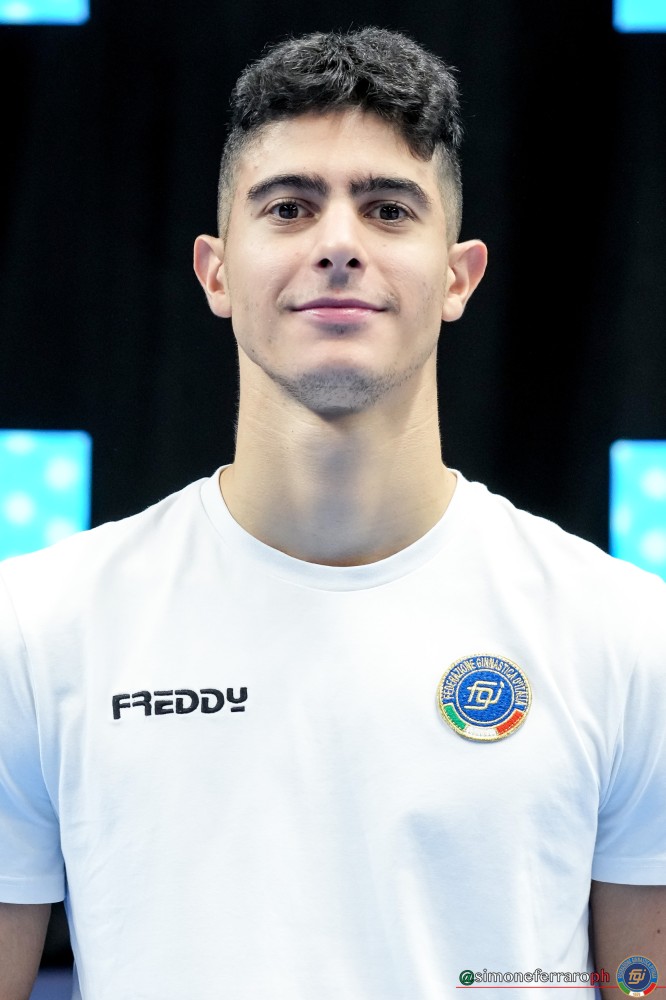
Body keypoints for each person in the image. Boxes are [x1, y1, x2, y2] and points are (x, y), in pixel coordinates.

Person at [0, 27, 664, 1000]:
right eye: (290, 207)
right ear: (216, 272)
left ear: (459, 276)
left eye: (388, 208)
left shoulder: (626, 632)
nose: (339, 243)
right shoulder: (38, 624)